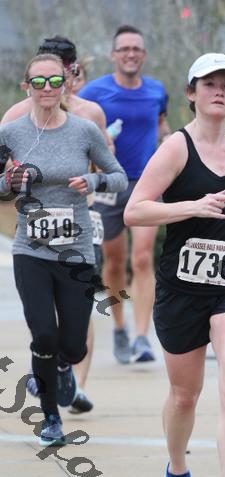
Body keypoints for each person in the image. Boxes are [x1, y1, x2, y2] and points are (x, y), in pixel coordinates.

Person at [123, 53, 225, 477]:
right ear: (191, 93)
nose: (218, 91)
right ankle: (178, 474)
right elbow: (135, 211)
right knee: (185, 396)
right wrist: (190, 207)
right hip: (182, 290)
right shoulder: (175, 149)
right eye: (209, 84)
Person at [0, 53, 127, 445]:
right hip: (31, 250)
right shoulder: (11, 133)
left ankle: (62, 367)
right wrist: (10, 183)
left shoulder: (84, 131)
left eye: (55, 81)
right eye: (38, 82)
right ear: (27, 87)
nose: (47, 89)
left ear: (65, 84)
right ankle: (51, 418)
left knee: (72, 346)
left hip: (76, 252)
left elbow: (119, 177)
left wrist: (93, 183)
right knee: (44, 336)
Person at [79, 24, 171, 364]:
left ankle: (143, 338)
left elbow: (162, 127)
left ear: (143, 55)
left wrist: (173, 148)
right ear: (113, 55)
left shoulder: (156, 90)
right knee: (114, 262)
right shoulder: (94, 91)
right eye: (124, 49)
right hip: (108, 185)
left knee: (143, 258)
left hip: (146, 184)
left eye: (136, 48)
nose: (131, 54)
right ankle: (119, 327)